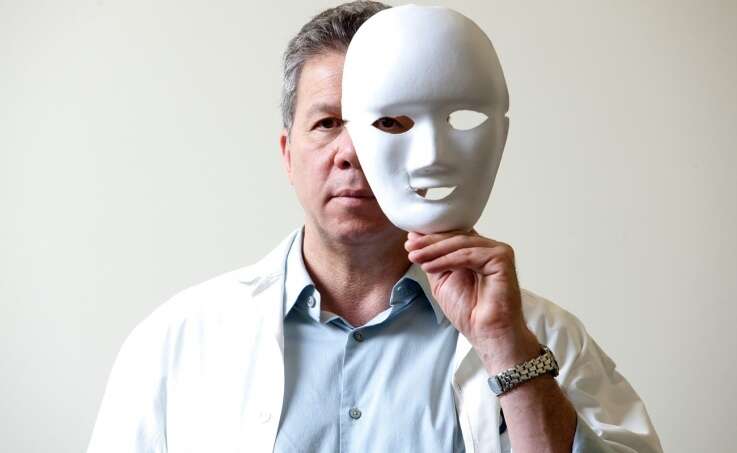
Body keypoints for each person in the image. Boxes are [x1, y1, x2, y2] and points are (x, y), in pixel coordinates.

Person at [87, 2, 663, 452]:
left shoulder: (537, 337)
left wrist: (508, 351)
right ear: (287, 154)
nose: (352, 153)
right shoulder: (179, 341)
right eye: (327, 123)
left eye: (386, 122)